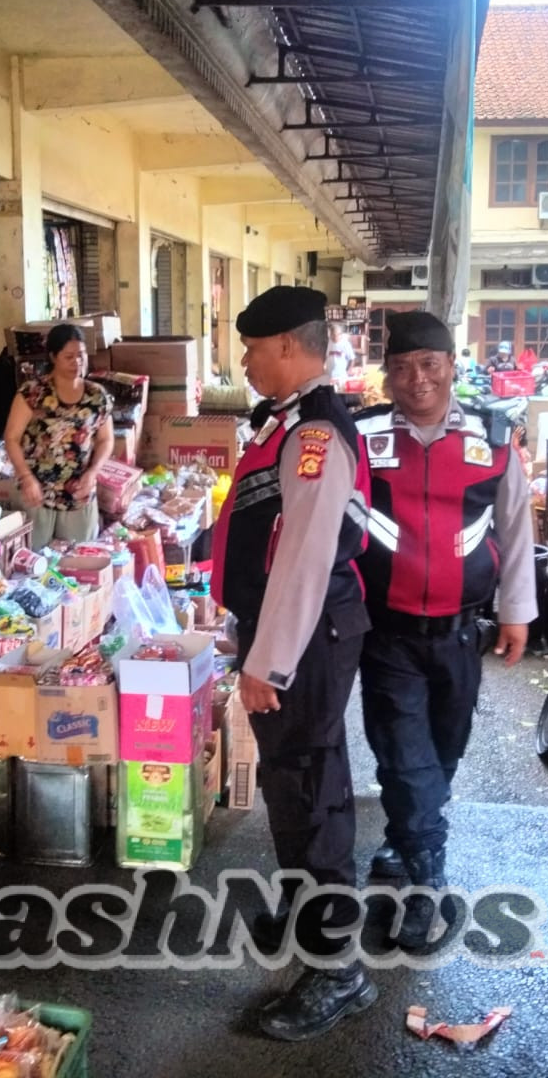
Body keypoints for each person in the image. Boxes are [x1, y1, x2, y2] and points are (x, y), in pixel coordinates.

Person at [210, 285, 374, 1042]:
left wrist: (267, 662)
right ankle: (311, 913)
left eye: (252, 348)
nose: (245, 361)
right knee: (300, 784)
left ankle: (337, 967)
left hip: (305, 640)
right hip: (299, 633)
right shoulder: (289, 421)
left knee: (309, 794)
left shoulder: (313, 433)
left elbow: (305, 556)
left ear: (286, 346)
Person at [353, 311, 537, 949]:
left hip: (462, 631)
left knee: (443, 748)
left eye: (429, 364)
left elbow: (515, 526)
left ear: (452, 365)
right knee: (403, 753)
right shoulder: (362, 437)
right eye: (402, 368)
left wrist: (517, 610)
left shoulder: (493, 436)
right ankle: (427, 886)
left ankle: (404, 838)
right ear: (387, 376)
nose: (417, 379)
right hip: (386, 631)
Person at [3, 324, 114, 549]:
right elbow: (11, 438)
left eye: (81, 355)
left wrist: (93, 471)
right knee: (32, 559)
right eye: (69, 357)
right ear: (53, 357)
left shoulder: (97, 396)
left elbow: (106, 439)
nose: (77, 362)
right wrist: (26, 477)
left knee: (79, 559)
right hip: (35, 493)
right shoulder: (33, 393)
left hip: (78, 494)